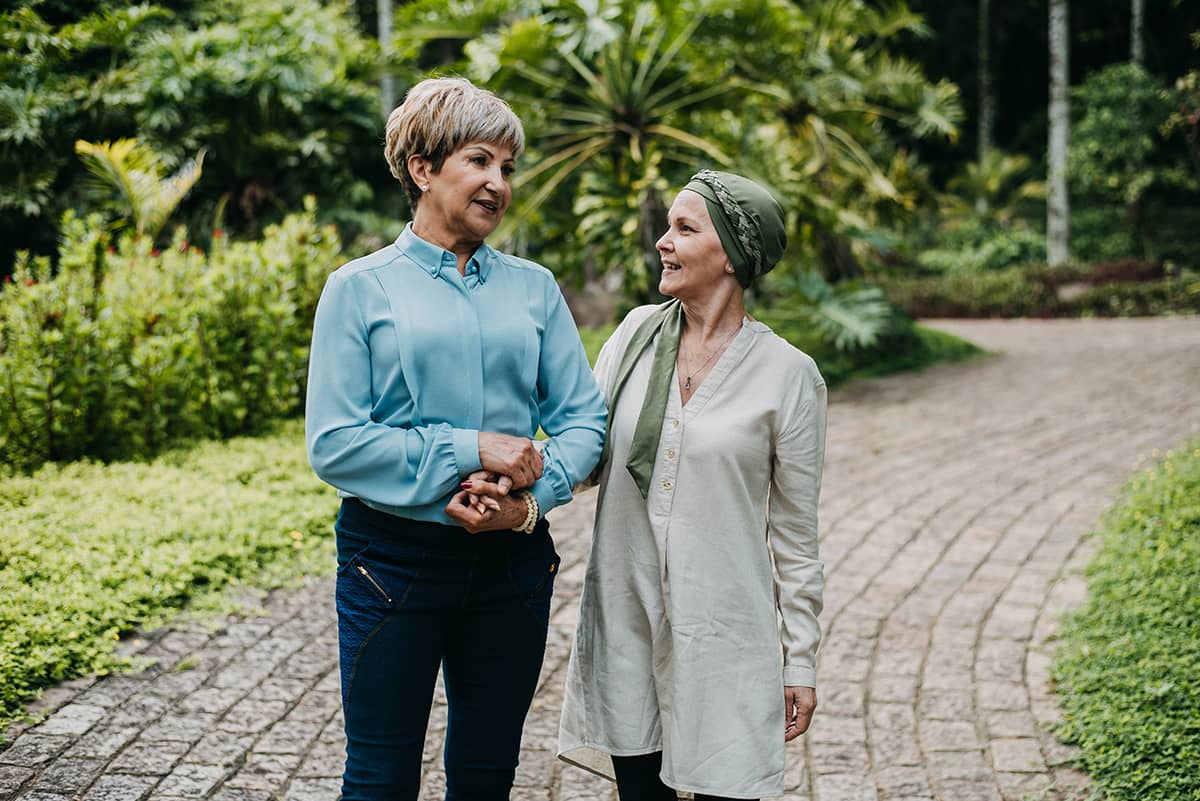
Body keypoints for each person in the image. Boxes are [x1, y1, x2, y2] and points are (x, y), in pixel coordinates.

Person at [305, 76, 606, 801]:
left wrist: (525, 497)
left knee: (485, 776)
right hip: (391, 564)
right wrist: (472, 446)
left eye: (507, 167)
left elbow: (583, 422)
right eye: (479, 160)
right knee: (378, 779)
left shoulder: (535, 288)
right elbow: (336, 442)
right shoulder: (359, 288)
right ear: (422, 168)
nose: (498, 183)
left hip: (512, 564)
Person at [557, 170, 827, 800]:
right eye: (668, 227)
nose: (663, 241)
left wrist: (801, 660)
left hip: (726, 635)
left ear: (732, 255)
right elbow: (584, 455)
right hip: (626, 617)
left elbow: (795, 535)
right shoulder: (632, 337)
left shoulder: (788, 376)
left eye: (685, 228)